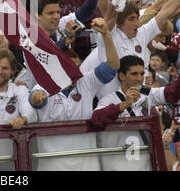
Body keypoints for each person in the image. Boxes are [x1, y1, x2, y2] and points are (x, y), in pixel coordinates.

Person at [29, 17, 119, 170]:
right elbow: (35, 99)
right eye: (71, 69)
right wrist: (36, 99)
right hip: (52, 166)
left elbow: (113, 65)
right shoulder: (44, 84)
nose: (76, 73)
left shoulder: (86, 82)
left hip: (86, 165)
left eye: (77, 68)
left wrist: (106, 35)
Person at [91, 54, 180, 170]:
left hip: (144, 164)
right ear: (121, 76)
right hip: (117, 165)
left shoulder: (147, 94)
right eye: (134, 74)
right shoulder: (109, 99)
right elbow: (96, 119)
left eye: (141, 74)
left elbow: (173, 92)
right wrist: (124, 104)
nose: (139, 79)